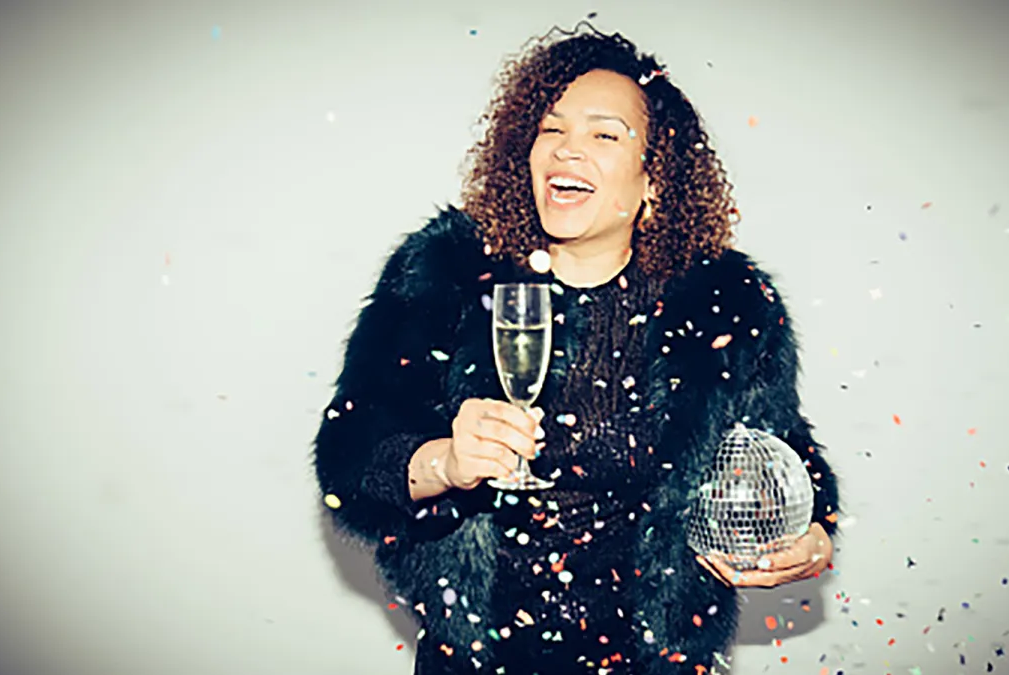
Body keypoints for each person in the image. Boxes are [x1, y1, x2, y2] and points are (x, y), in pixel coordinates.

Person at [313, 23, 841, 675]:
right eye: (552, 129)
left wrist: (813, 534)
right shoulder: (444, 274)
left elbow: (789, 460)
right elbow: (348, 458)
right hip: (475, 661)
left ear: (655, 181)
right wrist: (444, 460)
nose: (568, 150)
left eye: (604, 134)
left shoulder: (726, 306)